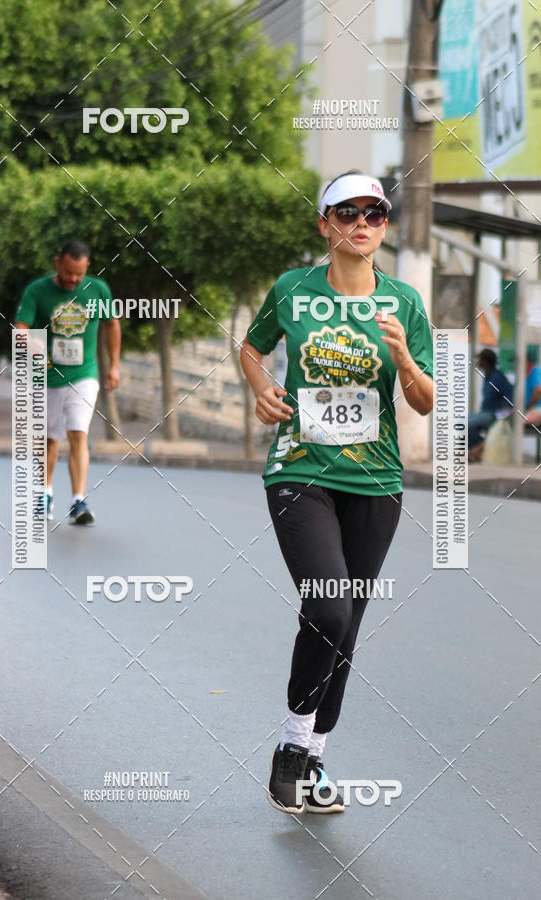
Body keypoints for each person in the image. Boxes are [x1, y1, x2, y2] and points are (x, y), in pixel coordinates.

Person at [240, 172, 433, 815]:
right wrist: (262, 390)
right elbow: (251, 349)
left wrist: (405, 360)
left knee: (347, 623)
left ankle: (313, 757)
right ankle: (291, 748)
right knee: (327, 607)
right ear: (324, 224)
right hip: (299, 470)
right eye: (347, 212)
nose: (362, 224)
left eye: (375, 214)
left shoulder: (404, 302)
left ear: (385, 226)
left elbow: (426, 401)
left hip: (376, 481)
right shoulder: (292, 290)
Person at [14, 240, 121, 525]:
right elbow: (21, 326)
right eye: (68, 272)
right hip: (46, 375)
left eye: (79, 273)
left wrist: (114, 365)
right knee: (49, 439)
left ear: (87, 267)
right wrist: (28, 343)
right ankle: (45, 494)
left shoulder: (98, 290)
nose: (74, 279)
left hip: (83, 374)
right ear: (57, 262)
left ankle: (78, 501)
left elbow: (112, 324)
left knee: (78, 433)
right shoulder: (37, 291)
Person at [468, 349, 513, 462]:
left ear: (486, 362)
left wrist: (503, 413)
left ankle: (477, 451)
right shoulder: (488, 376)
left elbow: (509, 394)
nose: (478, 361)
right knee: (462, 423)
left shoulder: (497, 377)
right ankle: (478, 449)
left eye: (480, 359)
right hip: (485, 412)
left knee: (467, 425)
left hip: (493, 413)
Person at [524, 352, 541, 426]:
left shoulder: (535, 372)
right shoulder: (527, 374)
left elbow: (538, 390)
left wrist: (529, 406)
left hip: (537, 409)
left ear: (527, 362)